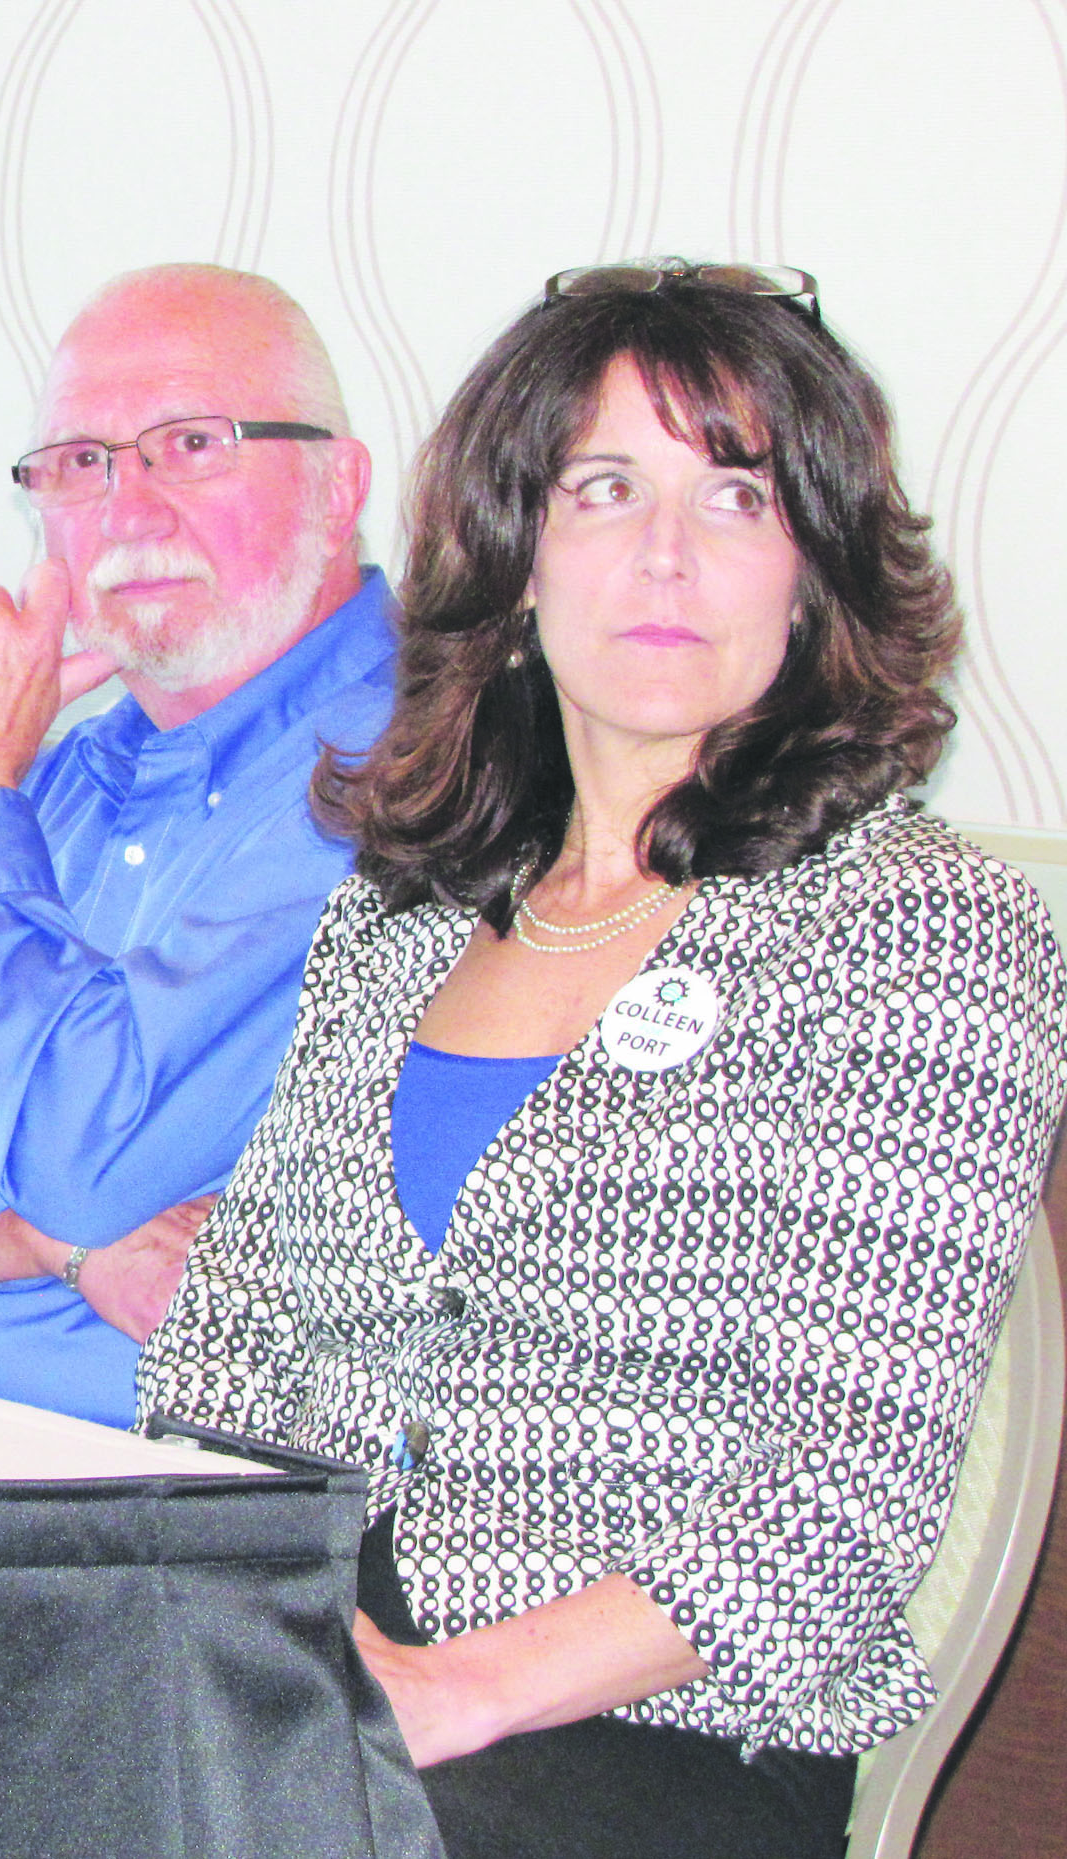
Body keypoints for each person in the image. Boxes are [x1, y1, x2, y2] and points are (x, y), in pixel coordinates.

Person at [137, 260, 1067, 1858]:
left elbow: (843, 1494)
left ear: (816, 571)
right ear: (517, 559)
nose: (663, 552)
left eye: (736, 496)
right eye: (606, 487)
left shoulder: (925, 928)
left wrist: (454, 1685)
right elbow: (227, 1339)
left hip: (657, 1730)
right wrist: (229, 1617)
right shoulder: (398, 915)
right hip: (319, 1646)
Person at [0, 264, 395, 1425]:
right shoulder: (62, 776)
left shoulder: (405, 778)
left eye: (192, 443)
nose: (130, 508)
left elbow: (81, 1157)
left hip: (152, 1530)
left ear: (338, 485)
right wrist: (38, 1245)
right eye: (82, 462)